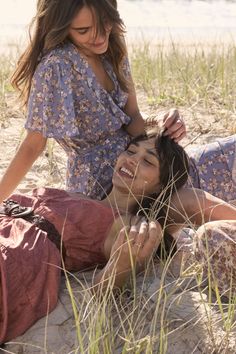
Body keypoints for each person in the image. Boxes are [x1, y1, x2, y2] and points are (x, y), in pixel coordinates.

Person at [0, 130, 236, 343]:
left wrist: (122, 264)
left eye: (147, 161)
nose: (132, 159)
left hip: (18, 251)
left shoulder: (127, 224)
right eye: (131, 151)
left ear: (159, 186)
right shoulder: (79, 193)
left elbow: (102, 293)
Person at [0, 0, 186, 204]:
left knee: (223, 156)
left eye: (105, 22)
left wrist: (161, 125)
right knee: (193, 200)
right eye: (83, 30)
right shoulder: (57, 67)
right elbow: (33, 146)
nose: (99, 36)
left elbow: (132, 117)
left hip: (145, 167)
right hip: (106, 183)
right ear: (61, 27)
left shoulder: (114, 45)